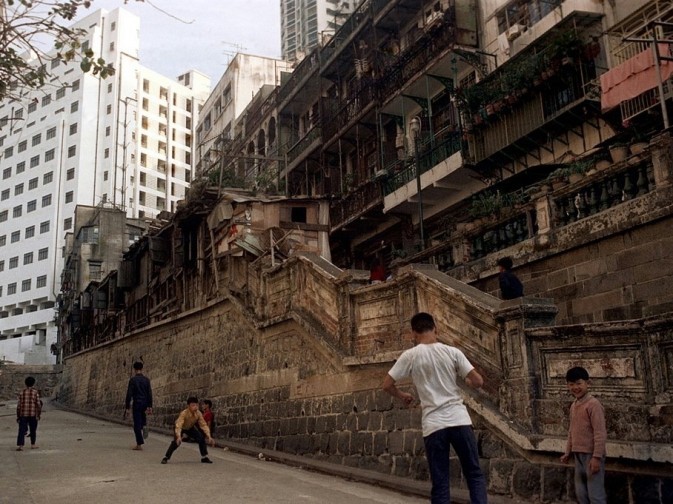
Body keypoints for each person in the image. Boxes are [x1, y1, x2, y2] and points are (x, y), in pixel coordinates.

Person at [382, 312, 488, 504]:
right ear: (435, 329)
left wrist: (402, 395)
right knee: (474, 474)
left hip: (433, 424)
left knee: (440, 482)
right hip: (459, 420)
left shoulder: (410, 356)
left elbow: (387, 384)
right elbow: (478, 381)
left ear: (414, 333)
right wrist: (467, 381)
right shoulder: (452, 352)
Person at [560, 366, 607, 504]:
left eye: (579, 383)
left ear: (588, 383)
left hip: (591, 455)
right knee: (581, 494)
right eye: (571, 384)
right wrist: (567, 452)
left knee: (595, 494)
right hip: (578, 455)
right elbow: (571, 431)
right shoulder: (574, 405)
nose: (575, 387)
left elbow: (600, 432)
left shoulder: (593, 405)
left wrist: (597, 457)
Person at [161, 397, 215, 464]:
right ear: (188, 406)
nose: (195, 407)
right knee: (176, 442)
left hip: (190, 427)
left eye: (196, 405)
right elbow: (179, 425)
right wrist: (178, 436)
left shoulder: (198, 413)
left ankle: (204, 457)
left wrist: (209, 436)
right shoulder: (184, 413)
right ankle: (166, 457)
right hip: (181, 427)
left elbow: (203, 425)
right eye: (193, 405)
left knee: (201, 438)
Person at [125, 361, 153, 450]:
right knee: (142, 417)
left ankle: (139, 443)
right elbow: (149, 393)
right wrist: (150, 406)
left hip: (137, 402)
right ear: (142, 368)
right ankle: (144, 425)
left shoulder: (133, 380)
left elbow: (129, 394)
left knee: (136, 423)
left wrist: (127, 407)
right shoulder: (146, 380)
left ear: (134, 369)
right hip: (145, 403)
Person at [16, 376, 42, 451]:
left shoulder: (22, 392)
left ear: (25, 383)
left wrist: (18, 416)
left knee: (21, 430)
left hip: (23, 414)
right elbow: (38, 405)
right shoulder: (35, 392)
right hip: (33, 414)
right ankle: (33, 444)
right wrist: (38, 414)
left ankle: (20, 445)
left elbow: (19, 406)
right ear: (33, 383)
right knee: (33, 429)